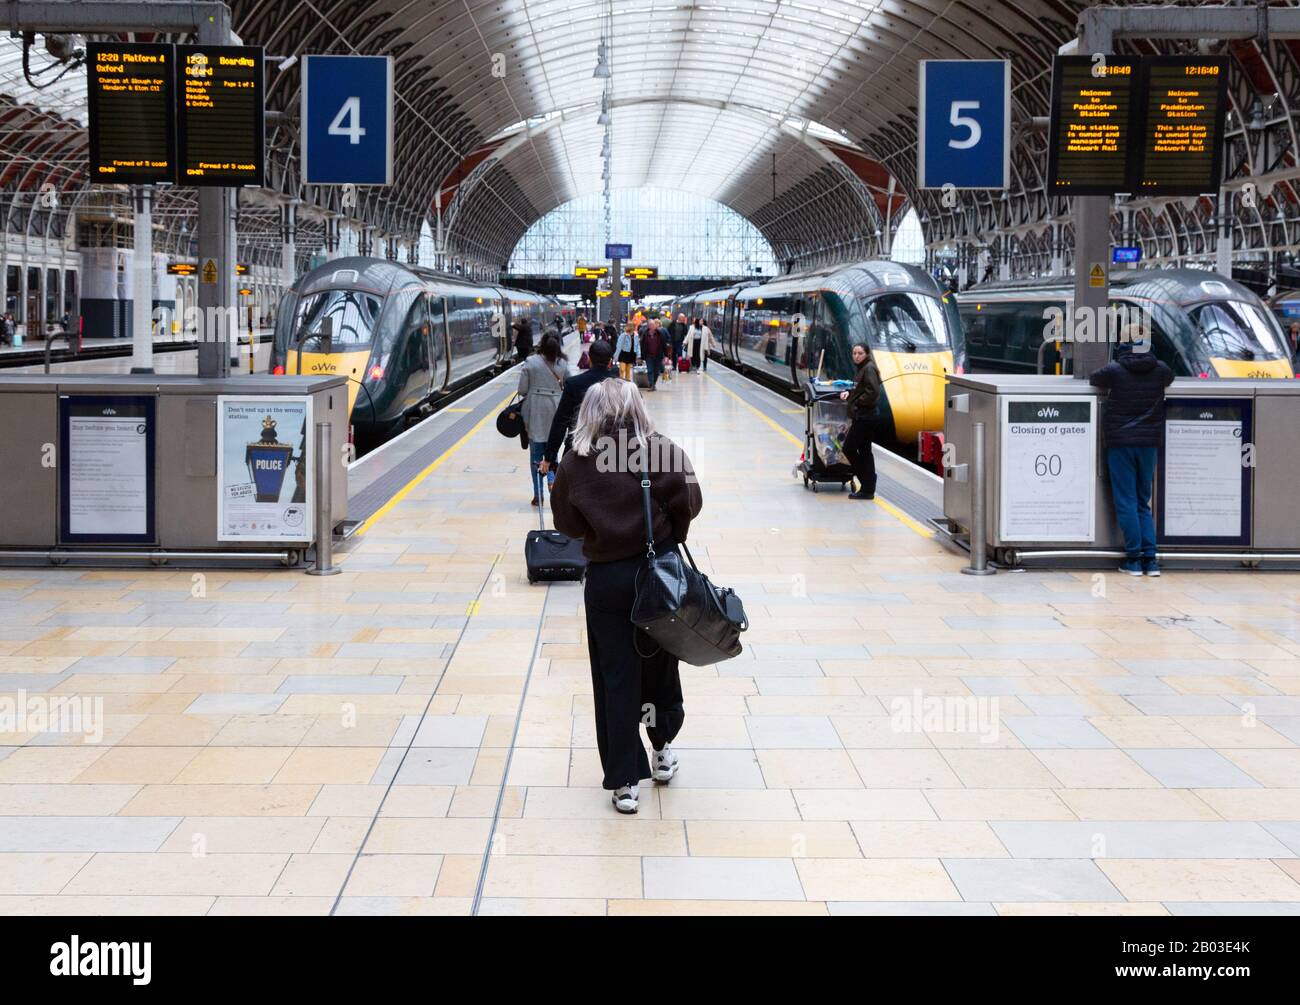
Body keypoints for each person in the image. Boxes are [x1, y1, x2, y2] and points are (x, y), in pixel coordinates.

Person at [549, 379, 703, 813]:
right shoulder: (660, 450)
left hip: (607, 582)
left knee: (615, 677)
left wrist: (604, 533)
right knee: (659, 666)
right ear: (637, 408)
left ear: (590, 412)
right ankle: (662, 750)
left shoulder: (576, 462)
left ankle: (624, 783)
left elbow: (568, 524)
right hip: (659, 579)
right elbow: (690, 501)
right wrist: (668, 537)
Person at [1090, 334, 1175, 577]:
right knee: (1142, 501)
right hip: (1149, 443)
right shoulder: (1161, 370)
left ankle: (1134, 559)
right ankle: (1151, 560)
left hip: (1121, 443)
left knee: (1125, 500)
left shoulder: (1115, 370)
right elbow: (1170, 377)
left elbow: (1094, 378)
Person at [540, 337, 615, 474]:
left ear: (589, 360)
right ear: (610, 361)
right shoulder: (623, 386)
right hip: (612, 451)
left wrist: (549, 457)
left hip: (578, 450)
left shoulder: (574, 384)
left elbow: (561, 421)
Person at [518, 333, 568, 505]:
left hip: (534, 413)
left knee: (536, 455)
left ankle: (538, 495)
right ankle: (552, 480)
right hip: (556, 411)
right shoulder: (563, 364)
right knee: (552, 451)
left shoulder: (531, 362)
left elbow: (522, 390)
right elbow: (569, 386)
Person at [839, 342, 881, 500]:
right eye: (854, 353)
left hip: (865, 417)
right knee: (865, 451)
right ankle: (868, 487)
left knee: (848, 449)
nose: (856, 356)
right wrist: (850, 394)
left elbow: (873, 392)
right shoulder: (864, 367)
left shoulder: (868, 368)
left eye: (860, 353)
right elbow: (862, 389)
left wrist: (856, 403)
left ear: (867, 354)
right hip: (864, 416)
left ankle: (867, 483)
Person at [641, 318, 667, 391]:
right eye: (651, 325)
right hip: (648, 356)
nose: (652, 326)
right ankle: (651, 385)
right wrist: (641, 356)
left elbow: (664, 345)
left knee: (656, 372)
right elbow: (642, 345)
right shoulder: (645, 334)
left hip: (658, 355)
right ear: (648, 326)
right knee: (650, 370)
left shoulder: (660, 334)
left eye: (653, 324)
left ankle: (654, 383)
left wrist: (666, 356)